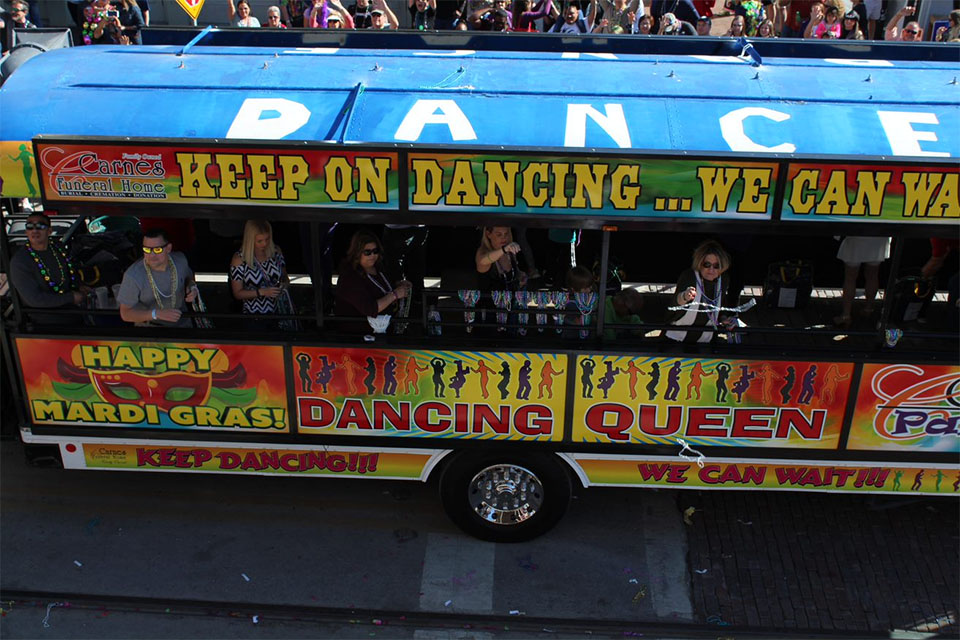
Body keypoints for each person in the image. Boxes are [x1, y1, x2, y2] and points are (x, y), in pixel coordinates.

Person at [9, 213, 86, 326]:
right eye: (30, 226)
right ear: (26, 231)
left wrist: (79, 285)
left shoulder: (57, 248)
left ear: (49, 231)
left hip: (73, 311)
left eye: (40, 226)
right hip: (46, 320)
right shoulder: (20, 261)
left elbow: (70, 271)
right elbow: (35, 299)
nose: (35, 230)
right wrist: (70, 297)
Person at [118, 228, 198, 327]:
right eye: (147, 249)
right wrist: (155, 314)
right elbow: (125, 314)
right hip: (151, 328)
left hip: (183, 322)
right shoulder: (133, 275)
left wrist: (192, 288)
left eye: (157, 249)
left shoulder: (180, 260)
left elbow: (190, 278)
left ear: (168, 248)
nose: (152, 255)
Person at [334, 230, 411, 333]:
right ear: (357, 253)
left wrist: (398, 286)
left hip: (384, 330)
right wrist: (395, 294)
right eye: (367, 252)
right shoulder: (350, 277)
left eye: (375, 251)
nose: (372, 255)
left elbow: (381, 288)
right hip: (358, 336)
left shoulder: (378, 266)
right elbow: (370, 309)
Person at [666, 240, 732, 343]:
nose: (711, 269)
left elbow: (721, 305)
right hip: (676, 338)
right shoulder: (689, 276)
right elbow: (674, 304)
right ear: (699, 263)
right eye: (707, 264)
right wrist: (684, 296)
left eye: (716, 266)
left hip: (705, 340)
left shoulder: (723, 280)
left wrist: (724, 319)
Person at [229, 220, 289, 326]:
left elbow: (285, 276)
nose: (265, 244)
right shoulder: (239, 259)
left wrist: (284, 285)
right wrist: (262, 292)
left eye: (267, 239)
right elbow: (237, 293)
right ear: (250, 240)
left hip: (279, 312)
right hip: (254, 317)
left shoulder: (276, 251)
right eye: (260, 241)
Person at [833, 236, 891, 329]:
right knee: (872, 275)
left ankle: (846, 316)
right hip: (878, 237)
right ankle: (868, 309)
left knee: (850, 278)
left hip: (856, 235)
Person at [475, 226, 526, 293]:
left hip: (510, 301)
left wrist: (520, 277)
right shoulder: (483, 251)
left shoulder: (510, 252)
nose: (503, 238)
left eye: (506, 234)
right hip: (489, 301)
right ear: (488, 234)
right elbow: (482, 261)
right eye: (499, 234)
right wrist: (504, 249)